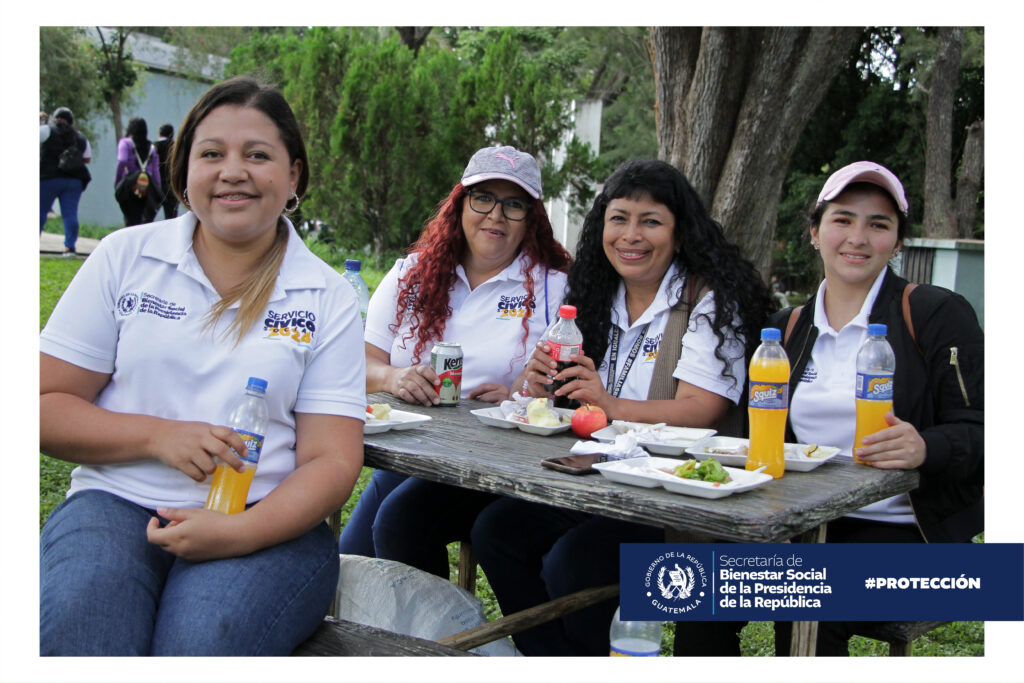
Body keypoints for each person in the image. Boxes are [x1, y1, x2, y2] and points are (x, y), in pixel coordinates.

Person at [39, 76, 366, 656]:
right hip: (116, 502)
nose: (232, 171)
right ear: (182, 171)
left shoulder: (326, 296)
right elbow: (42, 407)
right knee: (83, 625)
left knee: (200, 643)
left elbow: (332, 458)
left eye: (257, 155)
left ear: (293, 176)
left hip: (268, 521)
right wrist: (160, 437)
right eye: (211, 153)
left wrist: (241, 531)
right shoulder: (125, 258)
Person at [463, 159, 774, 656]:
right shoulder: (593, 293)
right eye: (619, 218)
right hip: (600, 480)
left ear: (679, 232)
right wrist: (538, 385)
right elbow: (550, 391)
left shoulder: (708, 300)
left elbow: (704, 408)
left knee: (572, 563)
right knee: (496, 531)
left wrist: (607, 403)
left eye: (650, 221)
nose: (631, 235)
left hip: (678, 498)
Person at [771, 161, 983, 656]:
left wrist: (926, 445)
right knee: (695, 576)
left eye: (879, 224)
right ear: (815, 232)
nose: (858, 237)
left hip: (911, 536)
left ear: (898, 242)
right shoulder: (785, 330)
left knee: (807, 599)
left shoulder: (934, 314)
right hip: (809, 526)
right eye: (843, 219)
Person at [338, 145, 573, 567]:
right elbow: (356, 364)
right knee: (345, 567)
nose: (496, 215)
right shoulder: (412, 273)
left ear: (531, 219)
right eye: (483, 198)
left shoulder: (555, 289)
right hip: (409, 451)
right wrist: (394, 378)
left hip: (493, 463)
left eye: (514, 205)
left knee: (396, 524)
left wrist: (519, 395)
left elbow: (558, 389)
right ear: (460, 205)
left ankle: (433, 633)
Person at [40, 107, 92, 256]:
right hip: (73, 181)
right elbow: (87, 158)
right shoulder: (80, 136)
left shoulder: (47, 130)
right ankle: (70, 247)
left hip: (48, 178)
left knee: (40, 212)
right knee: (70, 214)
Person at [115, 116, 162, 226]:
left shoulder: (125, 143)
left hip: (131, 183)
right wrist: (156, 189)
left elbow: (122, 161)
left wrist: (118, 181)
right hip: (146, 183)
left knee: (130, 215)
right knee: (143, 217)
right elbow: (156, 172)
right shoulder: (151, 147)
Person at [154, 122, 179, 220]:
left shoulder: (154, 146)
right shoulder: (176, 147)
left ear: (159, 134)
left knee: (147, 218)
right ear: (172, 134)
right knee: (172, 217)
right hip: (172, 186)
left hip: (157, 186)